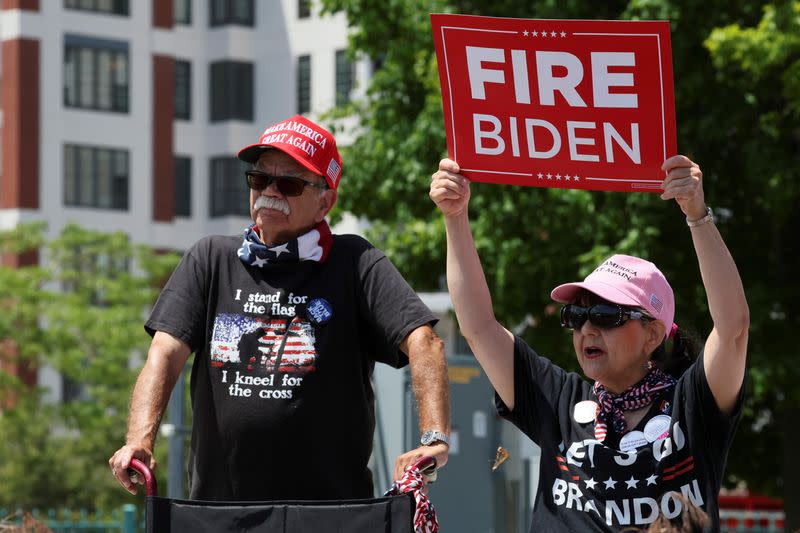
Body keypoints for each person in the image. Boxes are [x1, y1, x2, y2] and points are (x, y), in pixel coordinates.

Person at [109, 115, 450, 501]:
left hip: (330, 516)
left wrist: (434, 439)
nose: (270, 191)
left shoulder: (354, 261)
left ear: (326, 201)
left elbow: (425, 342)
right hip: (221, 515)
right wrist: (139, 440)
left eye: (288, 183)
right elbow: (164, 353)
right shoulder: (210, 258)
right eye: (259, 179)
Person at [429, 155, 747, 531]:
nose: (587, 330)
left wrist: (697, 216)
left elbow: (733, 329)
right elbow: (478, 326)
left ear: (653, 335)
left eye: (606, 316)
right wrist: (455, 216)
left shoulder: (692, 406)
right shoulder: (559, 398)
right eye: (576, 317)